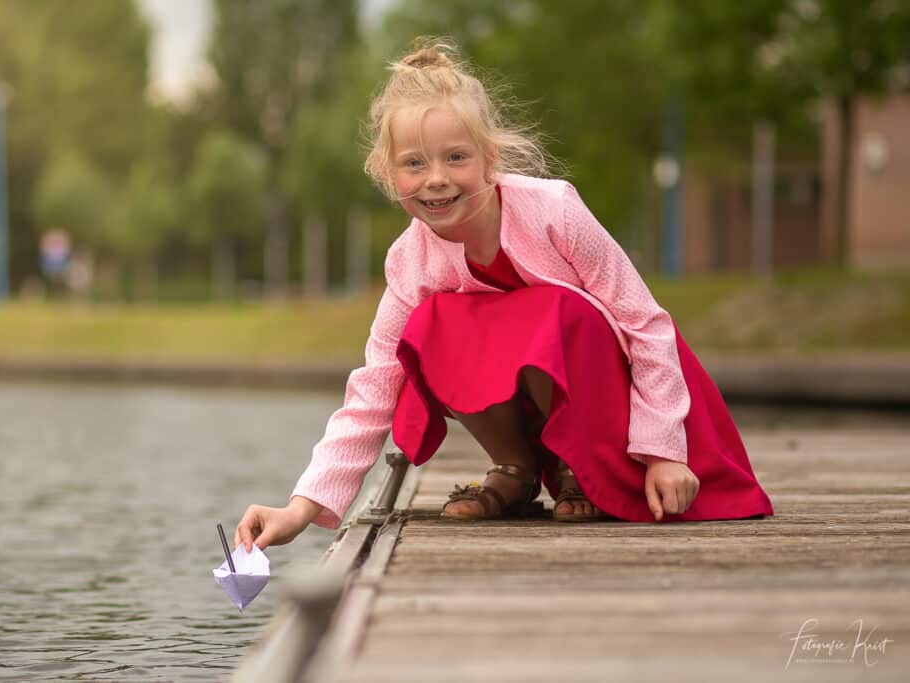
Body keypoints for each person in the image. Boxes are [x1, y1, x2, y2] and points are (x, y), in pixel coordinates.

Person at [235, 39, 773, 552]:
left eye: (456, 158)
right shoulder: (411, 260)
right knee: (428, 326)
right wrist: (301, 508)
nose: (436, 180)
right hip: (541, 412)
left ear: (490, 160)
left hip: (621, 413)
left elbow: (645, 323)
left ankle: (580, 470)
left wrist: (663, 452)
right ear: (387, 173)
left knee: (552, 310)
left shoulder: (554, 211)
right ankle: (517, 469)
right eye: (414, 163)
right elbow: (374, 387)